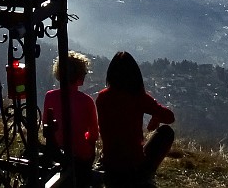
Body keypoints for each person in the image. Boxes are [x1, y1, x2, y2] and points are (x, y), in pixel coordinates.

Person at [95, 51, 175, 186]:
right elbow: (169, 117)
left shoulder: (102, 97)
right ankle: (145, 176)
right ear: (135, 75)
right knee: (166, 132)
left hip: (109, 162)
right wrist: (156, 115)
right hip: (133, 165)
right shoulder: (139, 97)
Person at [42, 51, 99, 184]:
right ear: (79, 74)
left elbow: (46, 126)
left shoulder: (49, 96)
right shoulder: (87, 101)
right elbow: (94, 135)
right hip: (81, 156)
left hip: (56, 152)